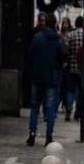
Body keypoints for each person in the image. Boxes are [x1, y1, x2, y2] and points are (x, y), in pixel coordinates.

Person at [27, 12, 65, 147]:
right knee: (50, 109)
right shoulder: (58, 40)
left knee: (35, 107)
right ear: (55, 24)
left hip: (37, 78)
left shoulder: (37, 37)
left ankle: (32, 134)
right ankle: (49, 136)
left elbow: (30, 56)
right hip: (52, 79)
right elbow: (61, 60)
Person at [65, 16, 84, 122]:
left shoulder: (70, 35)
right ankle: (78, 113)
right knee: (81, 91)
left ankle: (69, 108)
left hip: (72, 68)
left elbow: (66, 51)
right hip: (82, 69)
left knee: (70, 90)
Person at [58, 16, 73, 114]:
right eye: (63, 23)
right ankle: (61, 103)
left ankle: (66, 104)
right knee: (61, 85)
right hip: (60, 63)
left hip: (68, 63)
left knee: (67, 85)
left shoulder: (70, 35)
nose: (64, 25)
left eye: (66, 23)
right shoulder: (60, 35)